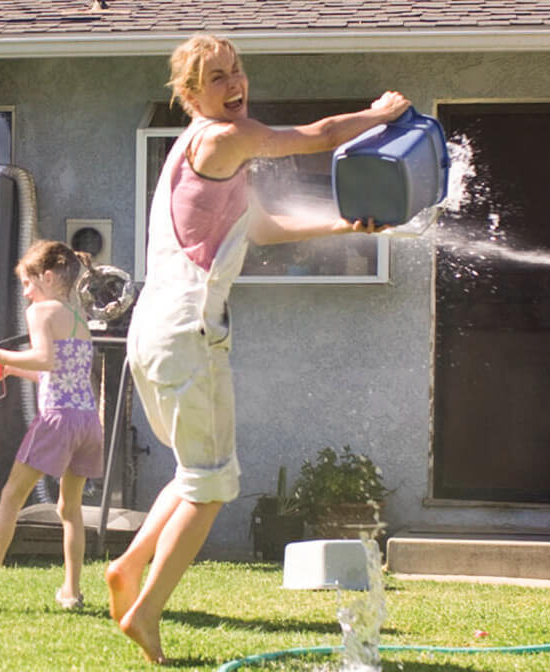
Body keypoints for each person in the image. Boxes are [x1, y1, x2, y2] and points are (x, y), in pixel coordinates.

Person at [104, 33, 411, 663]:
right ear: (190, 96)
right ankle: (147, 611)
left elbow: (264, 226)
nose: (233, 83)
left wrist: (345, 221)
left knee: (196, 474)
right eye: (215, 77)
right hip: (188, 334)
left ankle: (129, 568)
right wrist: (380, 116)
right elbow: (320, 134)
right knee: (213, 488)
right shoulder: (222, 138)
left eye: (236, 70)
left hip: (158, 332)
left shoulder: (198, 155)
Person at [0, 240, 103, 610]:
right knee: (70, 509)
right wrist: (13, 369)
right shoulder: (79, 318)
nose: (26, 293)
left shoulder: (42, 311)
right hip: (87, 423)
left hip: (58, 421)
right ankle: (71, 592)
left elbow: (46, 360)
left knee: (11, 497)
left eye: (28, 284)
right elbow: (61, 374)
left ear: (48, 277)